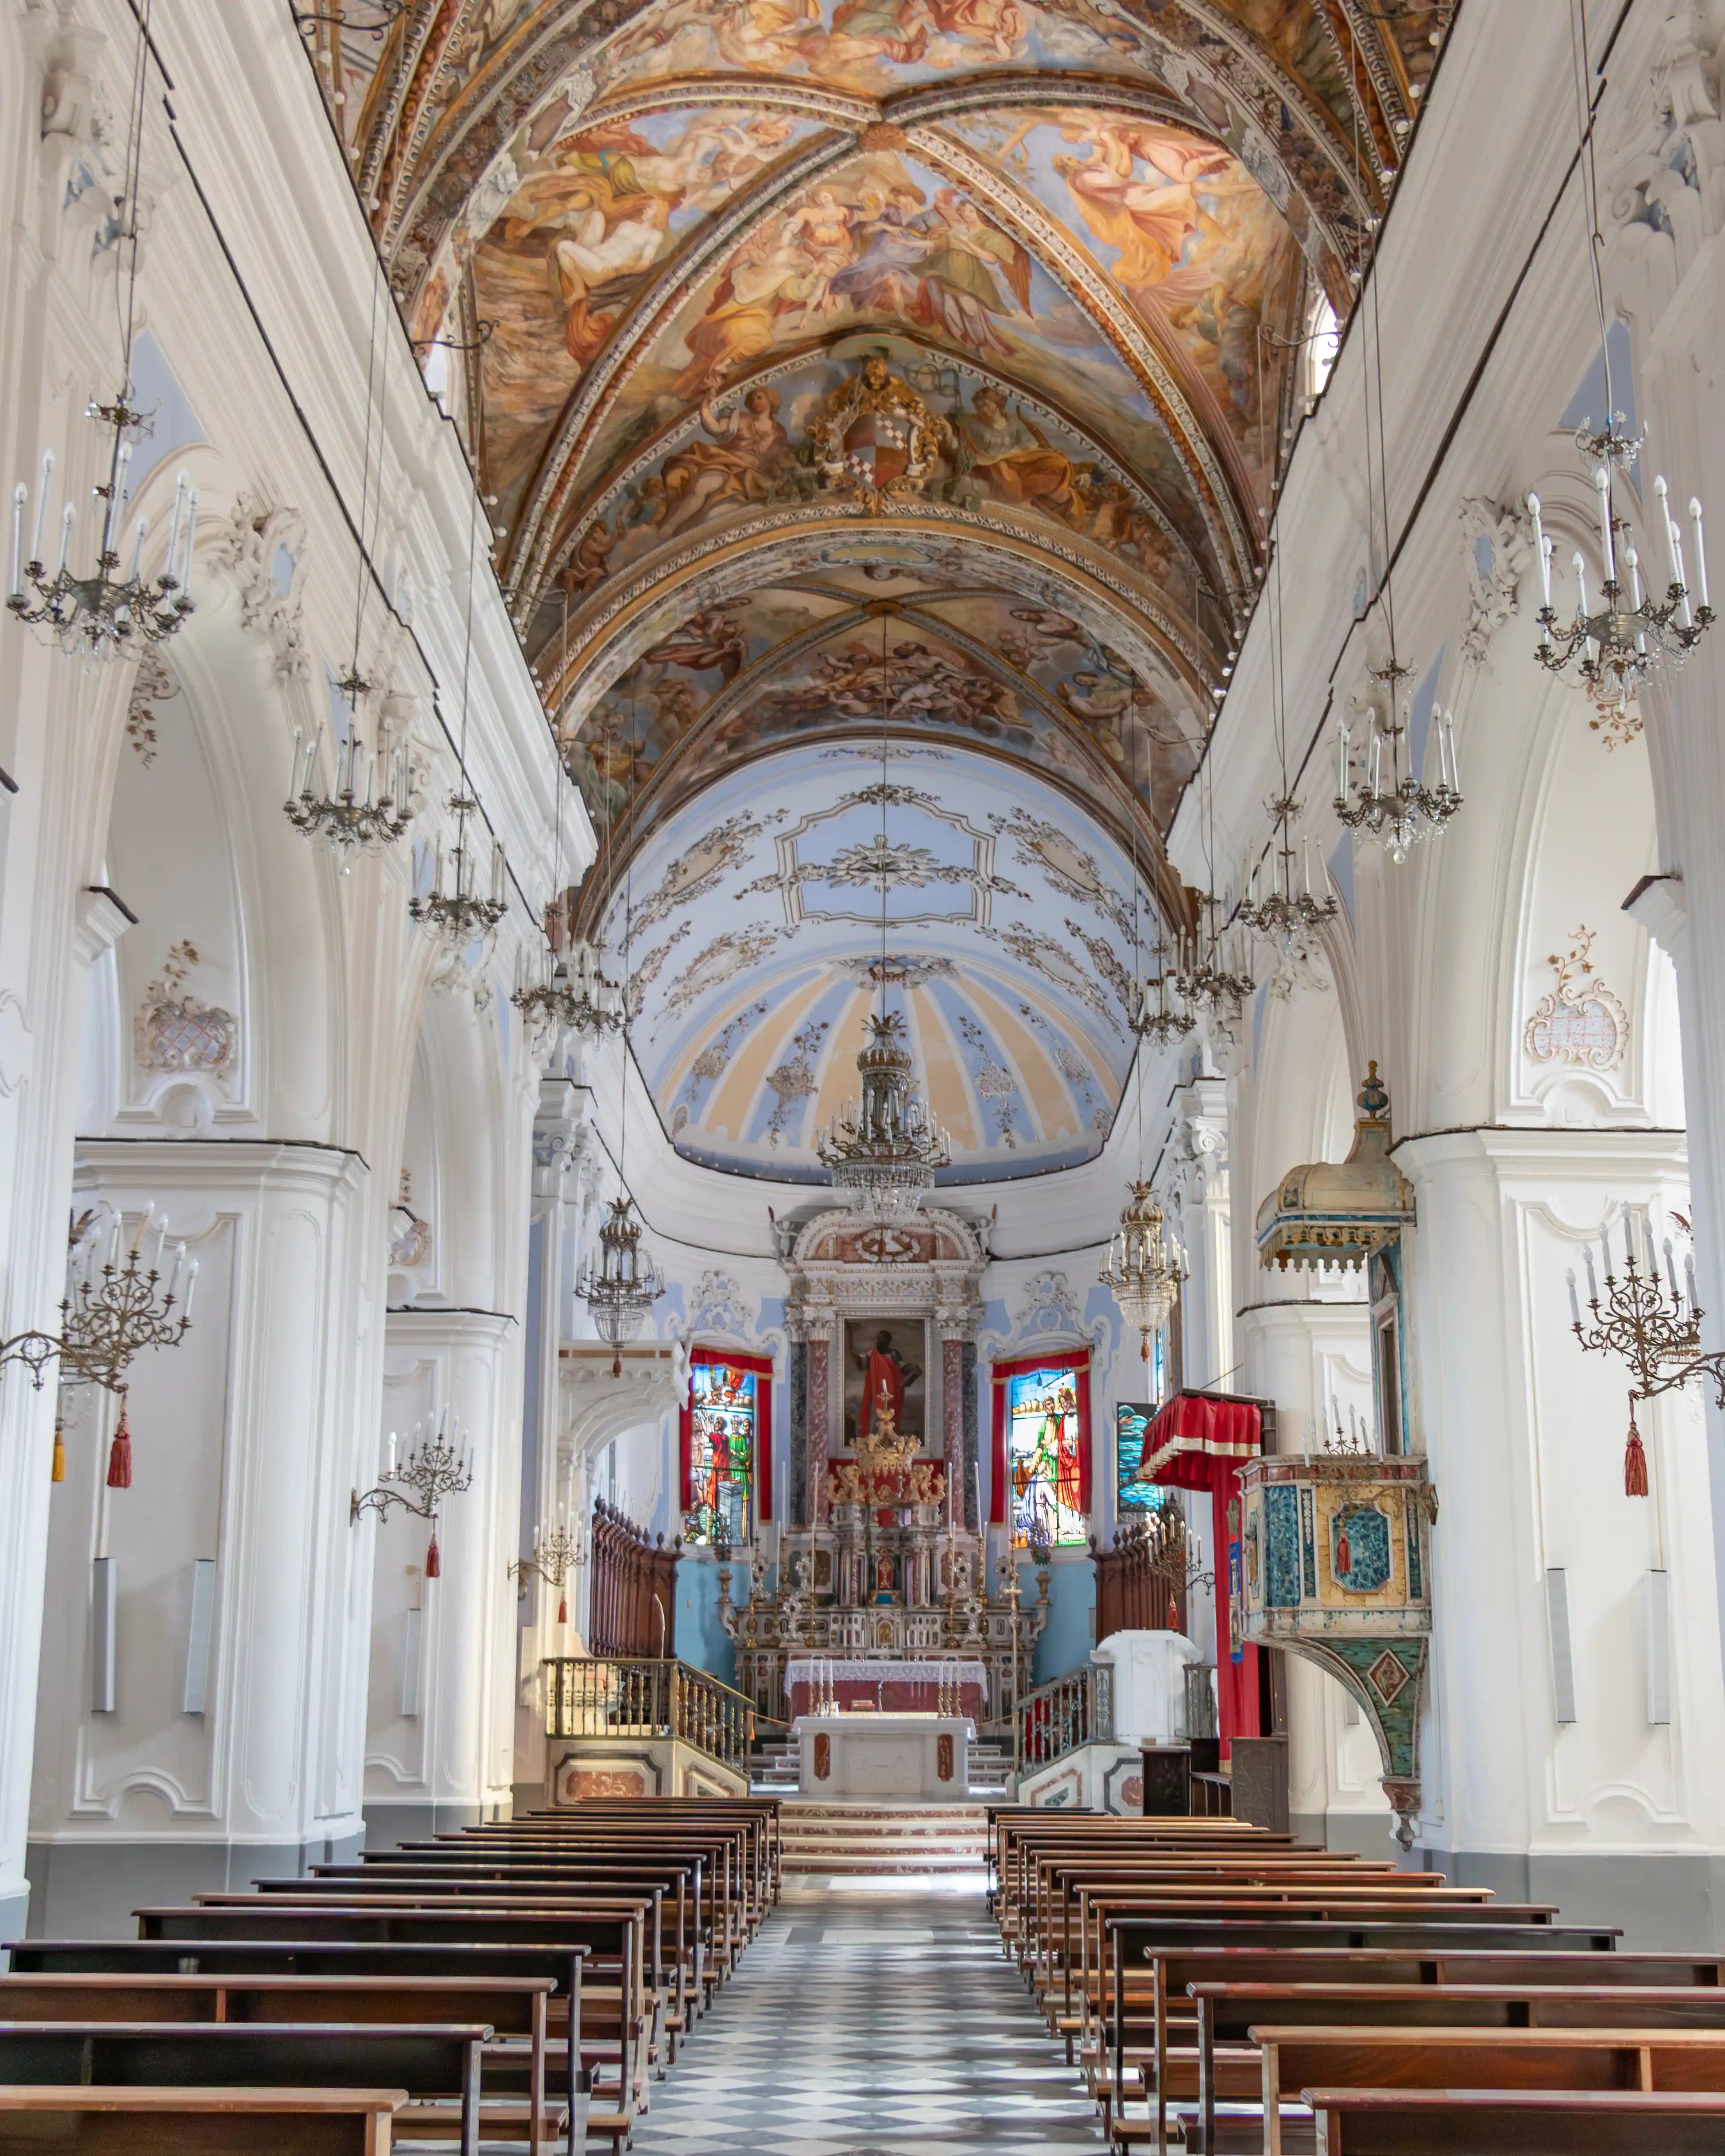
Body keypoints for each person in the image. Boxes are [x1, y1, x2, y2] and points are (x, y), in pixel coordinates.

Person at [857, 1327, 919, 1436]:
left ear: (888, 1341)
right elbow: (862, 1363)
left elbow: (903, 1368)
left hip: (892, 1390)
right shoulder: (872, 1354)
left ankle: (891, 1439)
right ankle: (873, 1440)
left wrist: (913, 1367)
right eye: (879, 1339)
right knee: (874, 1414)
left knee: (891, 1415)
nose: (880, 1341)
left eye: (883, 1339)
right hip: (875, 1390)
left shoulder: (893, 1354)